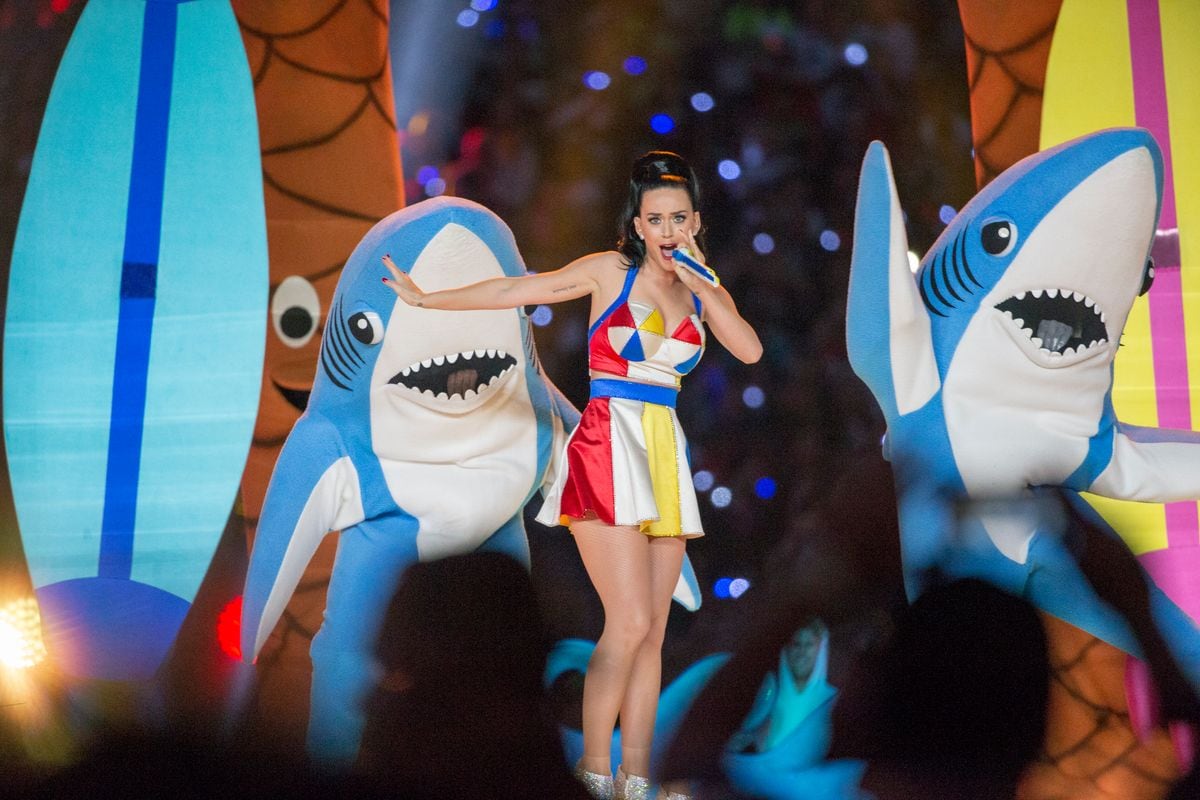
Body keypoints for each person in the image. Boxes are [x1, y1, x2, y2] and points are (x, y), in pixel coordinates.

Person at [383, 150, 762, 799]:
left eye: (678, 217)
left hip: (664, 451)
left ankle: (636, 777)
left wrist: (707, 287)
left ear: (694, 220)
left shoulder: (703, 288)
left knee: (654, 632)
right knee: (630, 621)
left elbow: (749, 349)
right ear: (637, 223)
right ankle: (592, 769)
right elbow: (517, 290)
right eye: (655, 217)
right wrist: (428, 298)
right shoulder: (606, 272)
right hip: (607, 441)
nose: (667, 229)